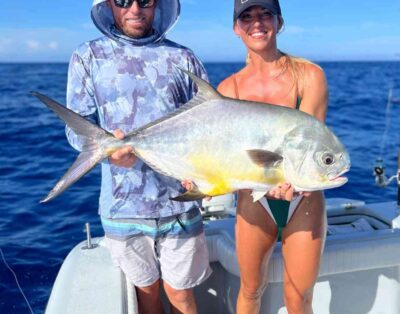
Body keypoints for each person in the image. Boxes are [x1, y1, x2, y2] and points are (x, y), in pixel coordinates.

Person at [65, 0, 212, 313]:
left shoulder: (183, 57)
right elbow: (77, 129)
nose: (135, 8)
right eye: (123, 0)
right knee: (146, 295)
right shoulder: (88, 56)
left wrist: (202, 171)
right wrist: (109, 154)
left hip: (180, 200)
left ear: (157, 5)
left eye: (144, 0)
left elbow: (209, 125)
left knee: (182, 294)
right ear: (109, 6)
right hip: (122, 205)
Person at [218, 0, 328, 313]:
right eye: (247, 16)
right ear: (236, 28)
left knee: (299, 298)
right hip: (255, 202)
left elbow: (311, 147)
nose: (257, 22)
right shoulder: (229, 89)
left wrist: (287, 178)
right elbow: (225, 153)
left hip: (303, 201)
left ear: (279, 22)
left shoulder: (309, 76)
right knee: (251, 291)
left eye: (266, 14)